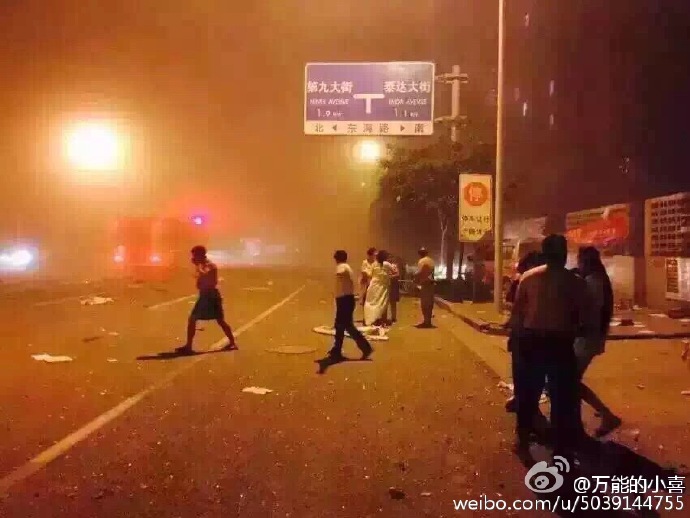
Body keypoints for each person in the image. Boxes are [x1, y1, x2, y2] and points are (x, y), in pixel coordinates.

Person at [511, 234, 586, 457]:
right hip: (560, 344)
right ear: (563, 254)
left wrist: (515, 340)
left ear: (544, 254)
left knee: (528, 393)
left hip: (531, 342)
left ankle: (523, 440)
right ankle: (560, 448)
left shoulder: (528, 278)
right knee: (561, 397)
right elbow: (581, 318)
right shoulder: (575, 282)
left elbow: (518, 314)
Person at [574, 246, 621, 437]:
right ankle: (602, 415)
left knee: (571, 380)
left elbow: (589, 313)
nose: (578, 264)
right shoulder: (597, 280)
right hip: (589, 338)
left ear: (586, 262)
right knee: (571, 380)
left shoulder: (593, 282)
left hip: (587, 339)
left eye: (579, 261)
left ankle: (606, 415)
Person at [505, 251, 546, 412]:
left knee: (521, 369)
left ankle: (522, 401)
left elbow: (513, 306)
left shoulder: (524, 280)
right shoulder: (551, 280)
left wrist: (511, 325)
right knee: (537, 371)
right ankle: (530, 402)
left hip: (524, 333)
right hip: (542, 333)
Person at [176, 245, 236, 354]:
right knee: (216, 320)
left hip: (210, 296)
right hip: (206, 295)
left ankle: (189, 346)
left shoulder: (209, 265)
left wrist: (198, 267)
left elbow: (206, 274)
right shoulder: (203, 264)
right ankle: (232, 342)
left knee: (215, 320)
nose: (193, 257)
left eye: (194, 255)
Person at [330, 250, 373, 360]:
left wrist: (338, 273)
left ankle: (366, 348)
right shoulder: (346, 266)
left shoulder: (342, 266)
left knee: (346, 326)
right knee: (341, 326)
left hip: (344, 300)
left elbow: (341, 271)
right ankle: (337, 350)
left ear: (338, 258)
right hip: (344, 300)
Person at [363, 250, 397, 326]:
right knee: (383, 303)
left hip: (374, 285)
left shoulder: (374, 264)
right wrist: (387, 276)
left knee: (372, 302)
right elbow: (395, 272)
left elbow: (370, 274)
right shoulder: (387, 264)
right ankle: (382, 320)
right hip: (383, 286)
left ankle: (372, 319)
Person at [414, 247, 435, 328]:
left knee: (424, 304)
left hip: (425, 283)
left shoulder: (422, 261)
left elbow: (421, 272)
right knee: (429, 304)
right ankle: (428, 321)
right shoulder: (431, 260)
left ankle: (426, 322)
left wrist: (415, 278)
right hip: (431, 283)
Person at [359, 247, 377, 315]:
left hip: (374, 285)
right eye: (374, 255)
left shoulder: (376, 263)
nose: (375, 256)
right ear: (370, 255)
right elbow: (364, 273)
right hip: (366, 284)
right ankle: (365, 317)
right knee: (365, 301)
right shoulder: (365, 262)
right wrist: (369, 276)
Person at [388, 255, 402, 323]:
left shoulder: (394, 266)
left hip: (392, 286)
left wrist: (390, 277)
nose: (389, 259)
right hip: (386, 286)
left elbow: (397, 274)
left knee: (393, 302)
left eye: (391, 258)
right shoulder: (384, 265)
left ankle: (393, 317)